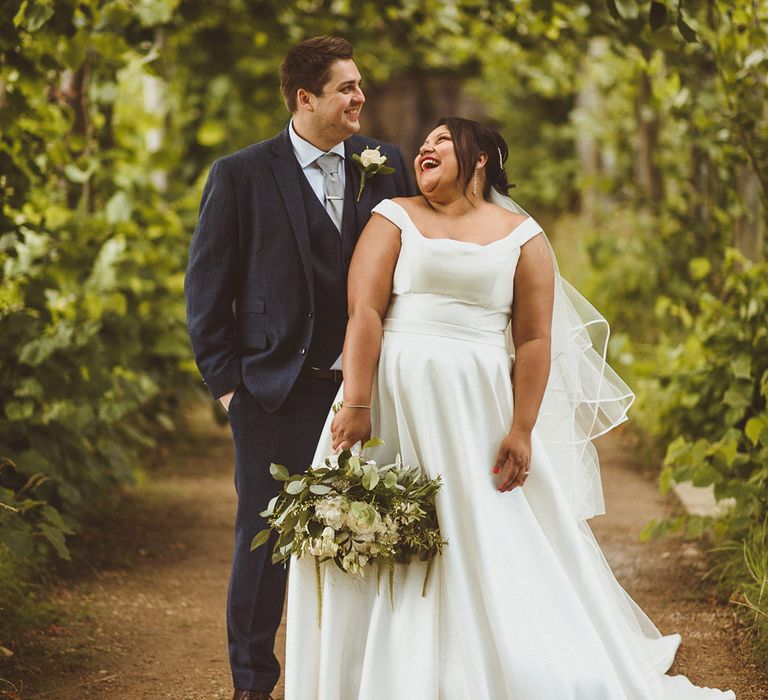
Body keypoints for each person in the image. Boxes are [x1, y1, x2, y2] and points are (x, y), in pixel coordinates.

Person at [283, 117, 736, 699]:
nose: (426, 147)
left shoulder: (523, 237)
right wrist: (360, 400)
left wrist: (522, 428)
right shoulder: (392, 217)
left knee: (483, 532)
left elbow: (534, 341)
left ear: (480, 159)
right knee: (372, 531)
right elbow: (364, 313)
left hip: (476, 408)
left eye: (443, 140)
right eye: (426, 141)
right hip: (391, 403)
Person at [184, 36, 415, 700]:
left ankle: (364, 678)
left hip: (369, 391)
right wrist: (231, 388)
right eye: (347, 88)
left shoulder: (387, 163)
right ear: (305, 98)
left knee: (377, 530)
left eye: (360, 86)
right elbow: (207, 290)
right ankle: (253, 683)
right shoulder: (240, 175)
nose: (360, 99)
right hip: (274, 392)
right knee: (263, 543)